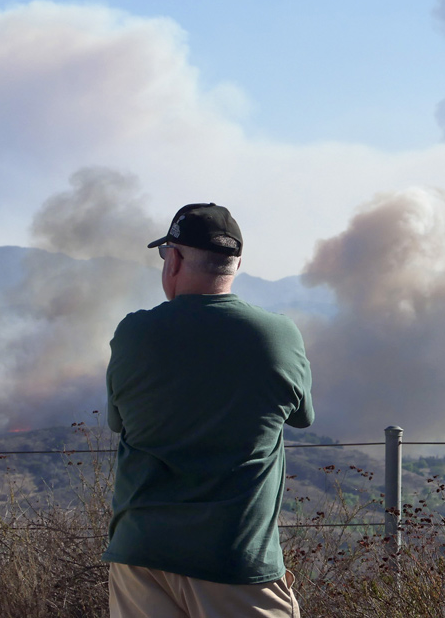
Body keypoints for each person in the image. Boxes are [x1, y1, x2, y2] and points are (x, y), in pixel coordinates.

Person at [103, 203, 314, 618]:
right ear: (236, 264)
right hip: (234, 556)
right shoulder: (278, 335)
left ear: (175, 258)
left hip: (140, 552)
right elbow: (301, 415)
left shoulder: (134, 333)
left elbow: (117, 422)